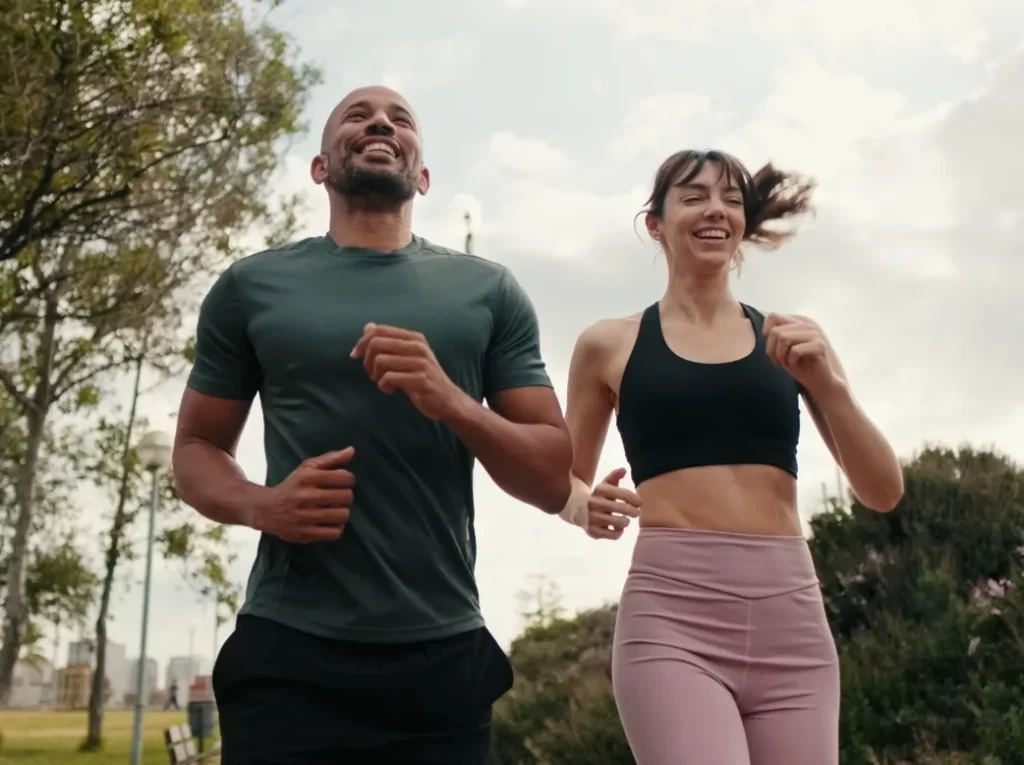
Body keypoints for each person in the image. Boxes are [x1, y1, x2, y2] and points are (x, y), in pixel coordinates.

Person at [171, 85, 573, 765]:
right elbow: (196, 446)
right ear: (321, 167)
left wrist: (452, 401)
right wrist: (262, 504)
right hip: (289, 651)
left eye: (400, 118)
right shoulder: (251, 287)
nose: (381, 121)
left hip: (439, 657)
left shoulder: (490, 292)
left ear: (422, 175)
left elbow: (549, 472)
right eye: (357, 115)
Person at [557, 149, 904, 765]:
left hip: (792, 621)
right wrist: (587, 508)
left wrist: (829, 383)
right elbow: (566, 478)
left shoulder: (793, 340)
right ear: (655, 225)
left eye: (731, 199)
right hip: (672, 618)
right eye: (693, 196)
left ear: (742, 224)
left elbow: (883, 491)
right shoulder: (609, 344)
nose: (715, 209)